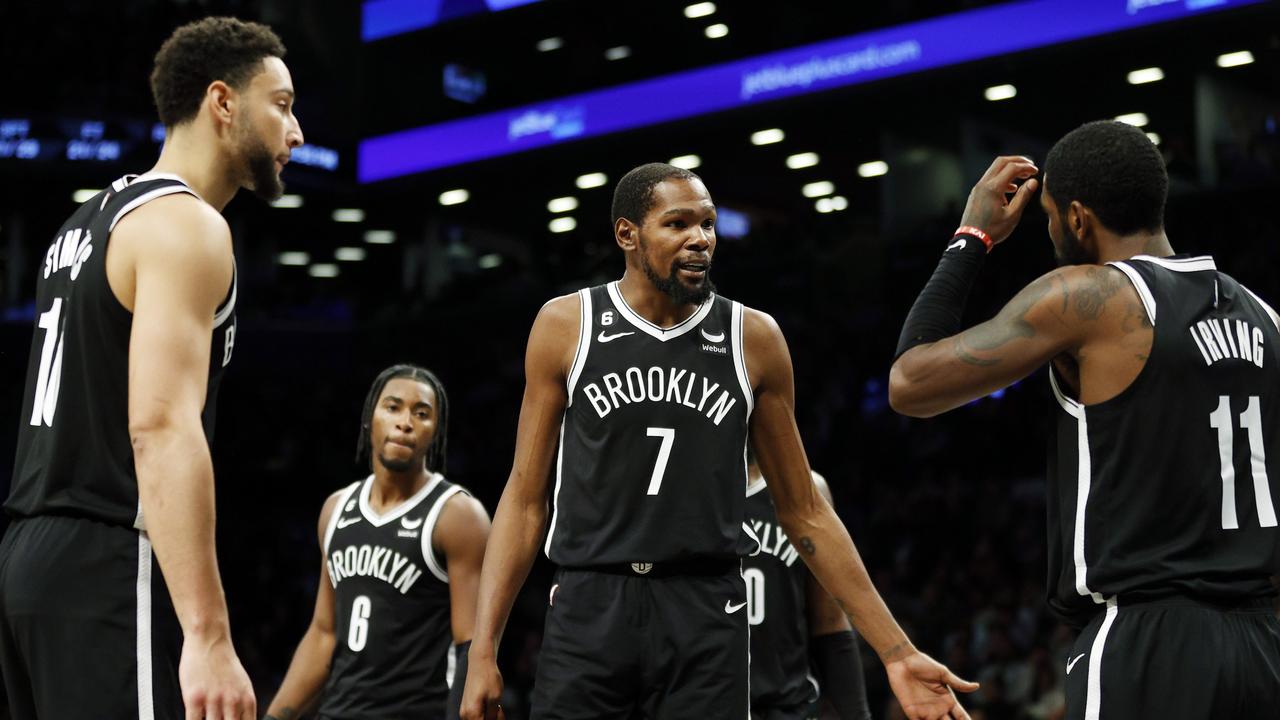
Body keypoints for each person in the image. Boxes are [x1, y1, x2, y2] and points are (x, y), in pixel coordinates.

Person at [461, 162, 976, 720]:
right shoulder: (567, 324)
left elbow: (804, 511)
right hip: (590, 603)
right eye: (677, 224)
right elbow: (524, 497)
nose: (700, 240)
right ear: (627, 235)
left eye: (707, 224)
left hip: (705, 608)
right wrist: (483, 648)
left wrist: (897, 652)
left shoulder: (753, 337)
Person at [889, 120, 1280, 718]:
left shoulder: (1092, 297)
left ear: (1077, 219)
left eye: (1048, 217)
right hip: (1263, 643)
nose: (1049, 231)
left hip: (1147, 639)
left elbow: (910, 384)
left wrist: (973, 236)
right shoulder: (1266, 318)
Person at [0, 17, 303, 719]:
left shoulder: (82, 223)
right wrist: (209, 634)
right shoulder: (188, 225)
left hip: (28, 556)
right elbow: (160, 426)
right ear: (223, 102)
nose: (296, 133)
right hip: (107, 558)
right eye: (282, 104)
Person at [265, 365, 491, 720]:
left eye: (422, 414)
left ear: (436, 432)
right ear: (370, 418)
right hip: (338, 710)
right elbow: (324, 633)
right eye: (393, 407)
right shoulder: (336, 509)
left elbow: (473, 645)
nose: (406, 422)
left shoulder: (459, 516)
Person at [744, 454, 872, 720]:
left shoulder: (808, 489)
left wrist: (857, 715)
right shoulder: (685, 489)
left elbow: (829, 620)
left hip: (788, 706)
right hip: (705, 702)